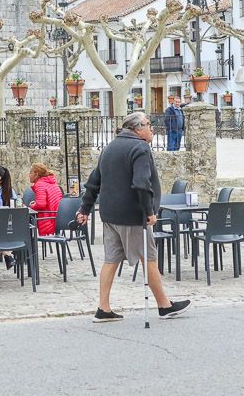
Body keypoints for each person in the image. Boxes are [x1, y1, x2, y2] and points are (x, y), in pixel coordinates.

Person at [76, 112, 190, 323]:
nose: (152, 128)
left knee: (111, 260)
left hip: (109, 215)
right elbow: (141, 183)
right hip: (132, 215)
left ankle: (103, 308)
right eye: (148, 125)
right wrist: (149, 212)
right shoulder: (140, 148)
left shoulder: (109, 148)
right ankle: (164, 305)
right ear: (137, 128)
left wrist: (85, 209)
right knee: (149, 258)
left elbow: (93, 182)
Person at [26, 161, 60, 236]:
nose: (29, 175)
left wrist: (31, 206)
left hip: (48, 219)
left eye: (30, 173)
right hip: (58, 218)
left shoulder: (39, 184)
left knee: (23, 221)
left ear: (36, 174)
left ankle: (27, 245)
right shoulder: (53, 183)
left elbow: (41, 205)